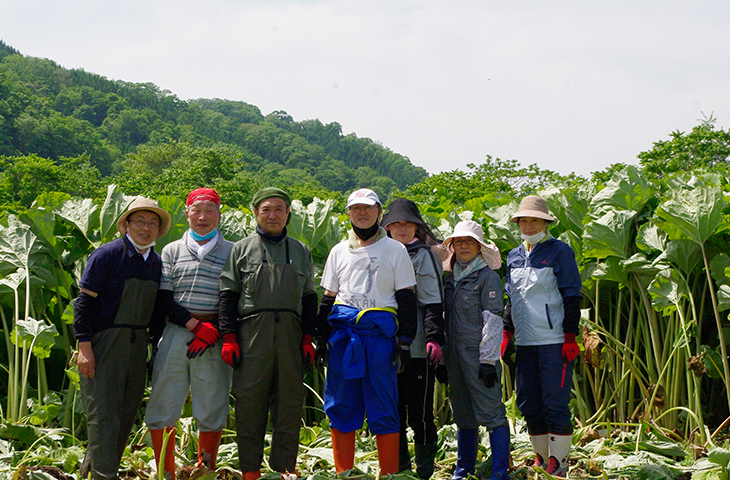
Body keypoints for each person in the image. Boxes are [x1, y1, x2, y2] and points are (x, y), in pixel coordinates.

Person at [218, 187, 318, 480]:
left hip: (290, 332)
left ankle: (284, 469)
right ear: (256, 214)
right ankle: (250, 470)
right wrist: (229, 337)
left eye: (279, 209)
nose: (272, 215)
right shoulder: (241, 249)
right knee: (249, 402)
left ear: (288, 214)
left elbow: (311, 296)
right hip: (252, 332)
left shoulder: (301, 250)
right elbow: (227, 293)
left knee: (289, 402)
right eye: (266, 209)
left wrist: (308, 337)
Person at [316, 188, 418, 476]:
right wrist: (320, 339)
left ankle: (387, 473)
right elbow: (328, 298)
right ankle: (343, 472)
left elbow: (406, 298)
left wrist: (405, 341)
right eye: (356, 208)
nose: (362, 213)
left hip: (379, 340)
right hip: (344, 339)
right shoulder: (338, 251)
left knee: (384, 407)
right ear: (348, 213)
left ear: (379, 213)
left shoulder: (394, 250)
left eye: (368, 208)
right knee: (340, 405)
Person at [73, 197, 171, 480]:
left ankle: (97, 472)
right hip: (105, 343)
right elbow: (84, 303)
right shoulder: (106, 255)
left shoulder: (155, 262)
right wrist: (84, 347)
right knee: (103, 413)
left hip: (138, 343)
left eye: (153, 223)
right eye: (140, 221)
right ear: (126, 224)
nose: (146, 228)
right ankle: (105, 476)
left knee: (126, 414)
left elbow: (156, 313)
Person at [145, 188, 234, 479]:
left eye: (210, 211)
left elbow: (235, 297)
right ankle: (165, 473)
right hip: (176, 331)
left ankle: (204, 469)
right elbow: (164, 298)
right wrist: (194, 326)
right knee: (163, 404)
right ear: (187, 214)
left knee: (212, 404)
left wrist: (217, 329)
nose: (203, 217)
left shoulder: (232, 251)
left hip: (215, 336)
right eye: (197, 210)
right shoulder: (171, 250)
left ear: (219, 215)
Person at [501, 195, 582, 478]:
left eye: (534, 220)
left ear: (545, 222)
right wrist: (506, 331)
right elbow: (511, 299)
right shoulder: (513, 255)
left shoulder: (560, 252)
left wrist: (570, 336)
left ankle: (559, 464)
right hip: (524, 342)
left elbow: (572, 295)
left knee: (554, 402)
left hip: (553, 340)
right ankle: (541, 458)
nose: (528, 224)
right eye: (524, 220)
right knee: (528, 402)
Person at [380, 198, 444, 480]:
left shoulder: (423, 255)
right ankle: (401, 468)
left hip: (418, 346)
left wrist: (434, 337)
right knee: (393, 412)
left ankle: (425, 472)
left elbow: (432, 301)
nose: (401, 228)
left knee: (419, 413)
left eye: (407, 224)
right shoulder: (382, 253)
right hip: (385, 344)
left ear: (416, 228)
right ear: (388, 228)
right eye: (396, 224)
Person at [441, 220, 510, 480]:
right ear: (453, 246)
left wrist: (488, 360)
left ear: (480, 246)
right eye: (459, 241)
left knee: (492, 412)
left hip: (478, 354)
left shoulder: (487, 277)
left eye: (469, 241)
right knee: (462, 413)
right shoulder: (450, 278)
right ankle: (463, 471)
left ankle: (500, 474)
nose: (463, 246)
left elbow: (493, 319)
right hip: (454, 356)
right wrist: (442, 360)